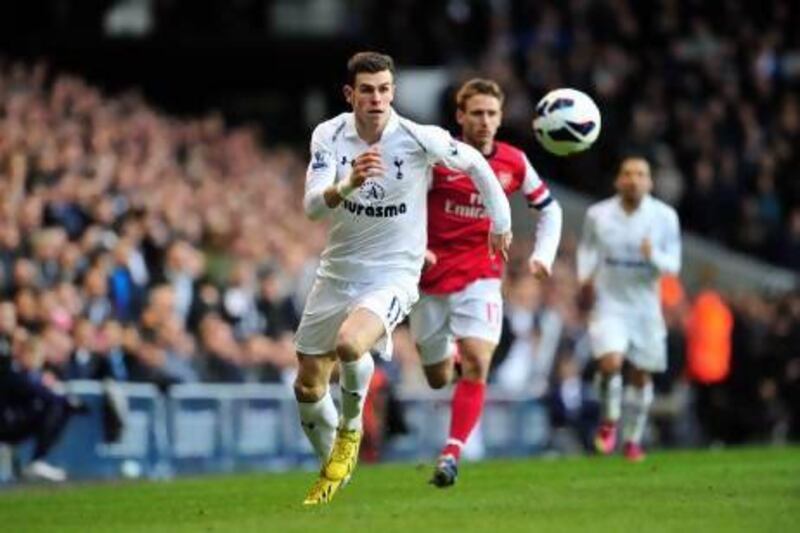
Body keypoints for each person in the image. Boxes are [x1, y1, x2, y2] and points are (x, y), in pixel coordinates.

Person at [295, 53, 512, 504]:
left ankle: (351, 432)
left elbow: (476, 165)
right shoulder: (329, 135)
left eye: (384, 89)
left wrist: (501, 222)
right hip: (338, 270)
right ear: (350, 95)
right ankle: (335, 467)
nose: (377, 98)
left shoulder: (418, 138)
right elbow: (313, 206)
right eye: (367, 90)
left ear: (393, 92)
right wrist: (349, 184)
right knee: (308, 384)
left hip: (395, 272)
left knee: (351, 344)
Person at [407, 78, 562, 487]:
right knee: (438, 377)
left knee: (478, 361)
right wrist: (413, 248)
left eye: (492, 113)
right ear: (461, 116)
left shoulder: (513, 161)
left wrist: (542, 255)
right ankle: (450, 362)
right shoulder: (439, 158)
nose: (485, 121)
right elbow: (404, 208)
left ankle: (451, 453)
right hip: (430, 281)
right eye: (476, 113)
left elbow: (550, 209)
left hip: (481, 277)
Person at [576, 156, 681, 461]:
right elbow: (587, 249)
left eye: (640, 174)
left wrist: (654, 256)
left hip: (646, 307)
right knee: (610, 364)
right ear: (617, 180)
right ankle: (609, 420)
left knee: (641, 376)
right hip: (610, 302)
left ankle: (632, 439)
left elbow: (673, 266)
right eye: (627, 174)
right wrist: (585, 279)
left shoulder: (665, 216)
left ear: (649, 182)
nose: (634, 179)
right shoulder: (598, 214)